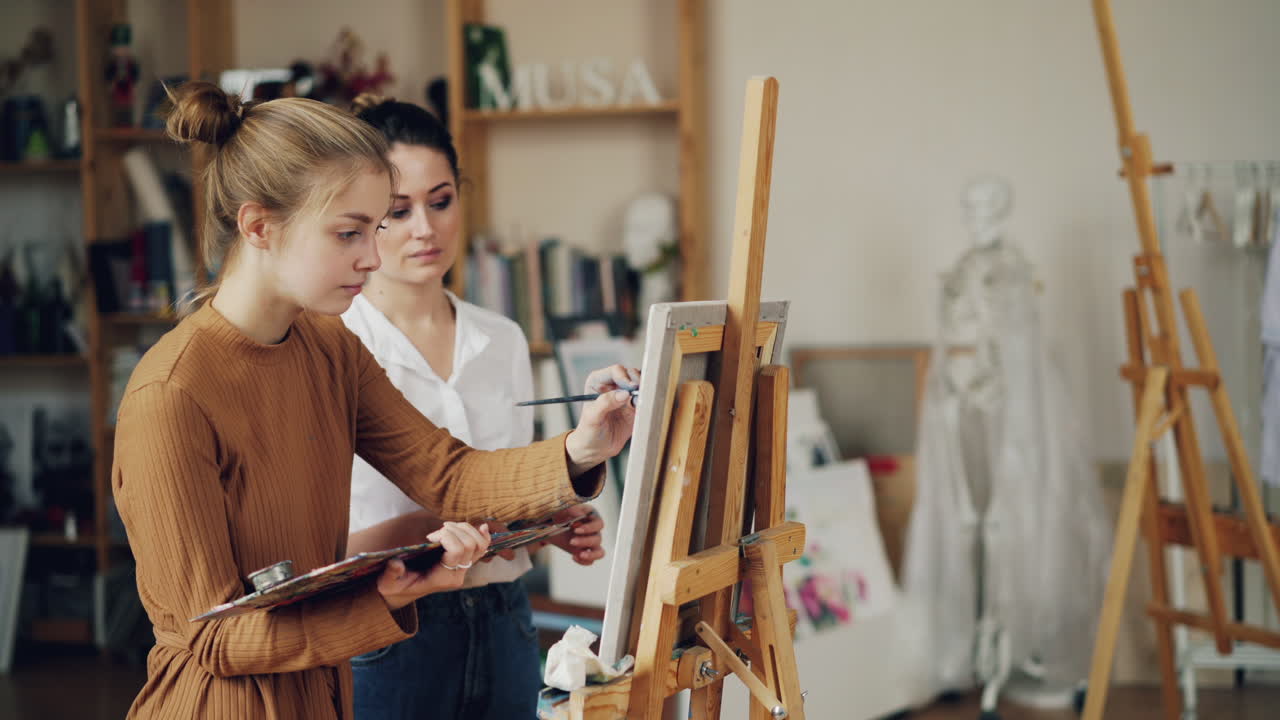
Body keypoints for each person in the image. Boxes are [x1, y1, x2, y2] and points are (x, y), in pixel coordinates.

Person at [111, 82, 636, 720]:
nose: (372, 256)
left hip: (327, 692)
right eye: (350, 232)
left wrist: (584, 446)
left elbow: (450, 473)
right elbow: (212, 637)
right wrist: (379, 601)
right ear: (258, 226)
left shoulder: (330, 349)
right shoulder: (171, 395)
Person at [341, 93, 630, 720]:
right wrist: (444, 530)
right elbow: (327, 542)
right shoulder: (339, 346)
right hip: (394, 633)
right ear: (361, 215)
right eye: (398, 211)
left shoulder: (501, 337)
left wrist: (555, 525)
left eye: (441, 201)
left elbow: (508, 489)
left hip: (505, 621)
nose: (426, 228)